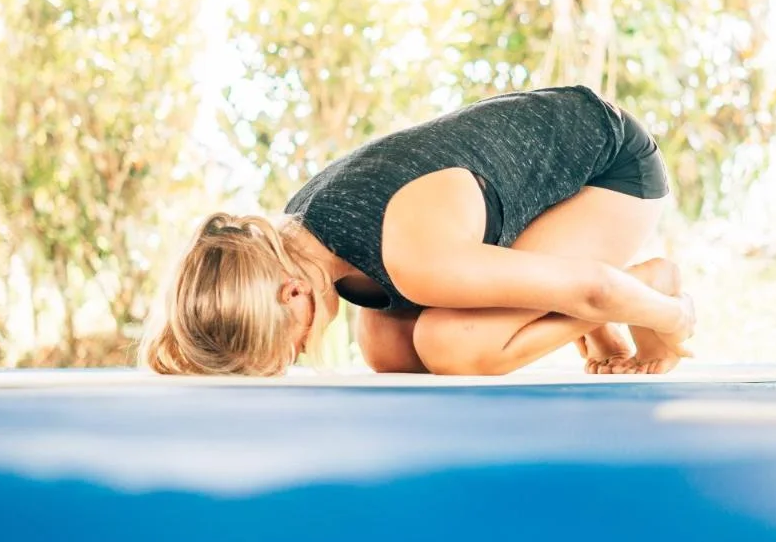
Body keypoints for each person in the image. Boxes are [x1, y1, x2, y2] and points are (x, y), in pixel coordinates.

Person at [140, 85, 695, 377]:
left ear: (291, 293)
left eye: (289, 351)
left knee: (455, 346)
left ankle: (650, 283)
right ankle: (587, 320)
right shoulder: (302, 238)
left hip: (606, 169)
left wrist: (668, 320)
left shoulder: (413, 256)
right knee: (387, 349)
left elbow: (593, 287)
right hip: (524, 178)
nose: (302, 352)